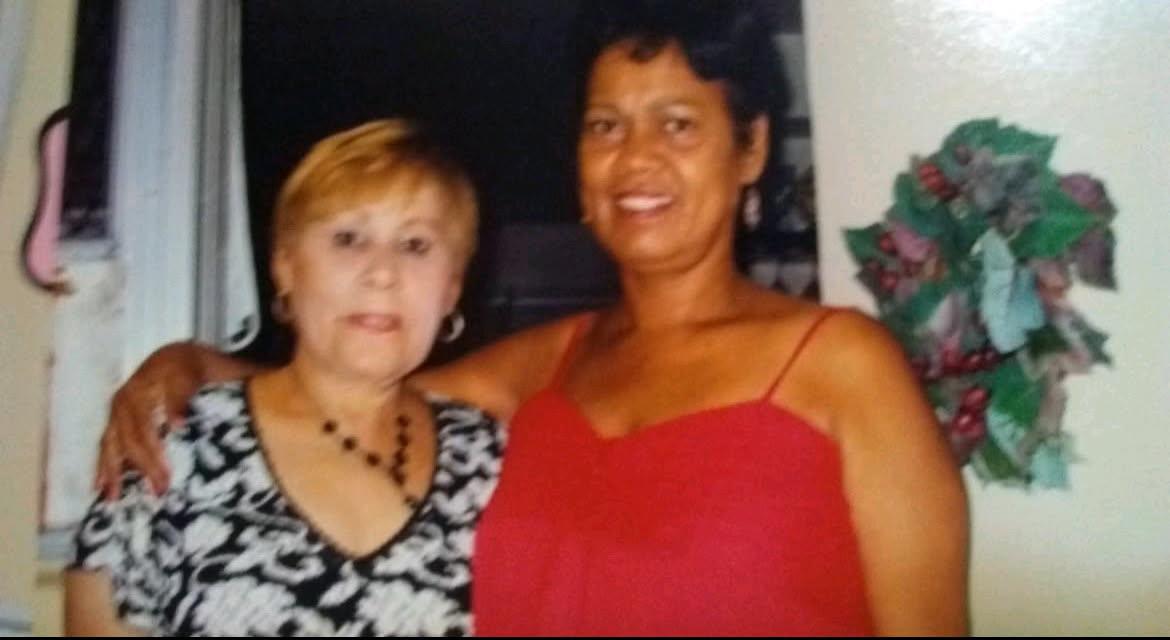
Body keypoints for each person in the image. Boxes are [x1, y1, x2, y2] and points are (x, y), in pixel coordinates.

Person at [93, 1, 969, 635]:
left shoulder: (844, 363)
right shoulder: (553, 362)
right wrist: (190, 365)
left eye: (677, 123)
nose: (636, 158)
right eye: (605, 124)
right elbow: (342, 391)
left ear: (751, 149)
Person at [66, 119, 503, 636]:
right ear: (286, 267)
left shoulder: (490, 459)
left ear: (451, 289)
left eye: (415, 245)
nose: (382, 272)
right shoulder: (174, 444)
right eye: (348, 238)